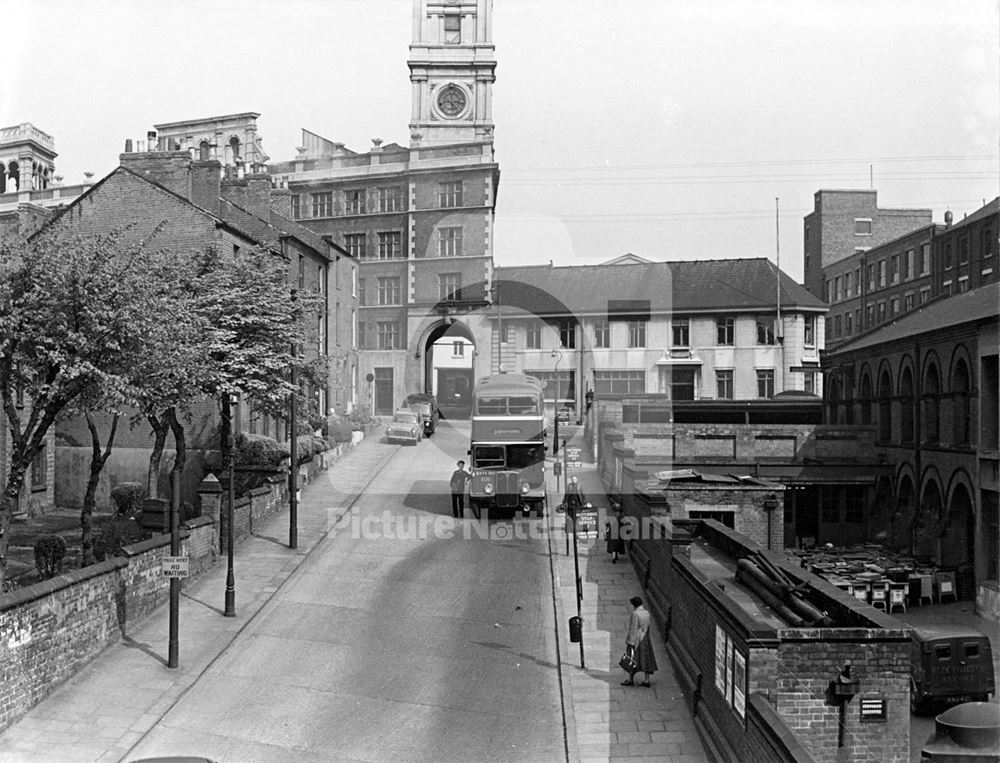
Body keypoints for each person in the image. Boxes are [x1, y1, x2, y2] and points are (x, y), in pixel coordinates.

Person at [621, 596, 657, 687]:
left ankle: (630, 679)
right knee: (646, 658)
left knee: (632, 658)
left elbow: (633, 629)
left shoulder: (635, 614)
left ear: (634, 605)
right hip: (645, 639)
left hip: (636, 639)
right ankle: (647, 680)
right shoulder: (647, 613)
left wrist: (630, 642)